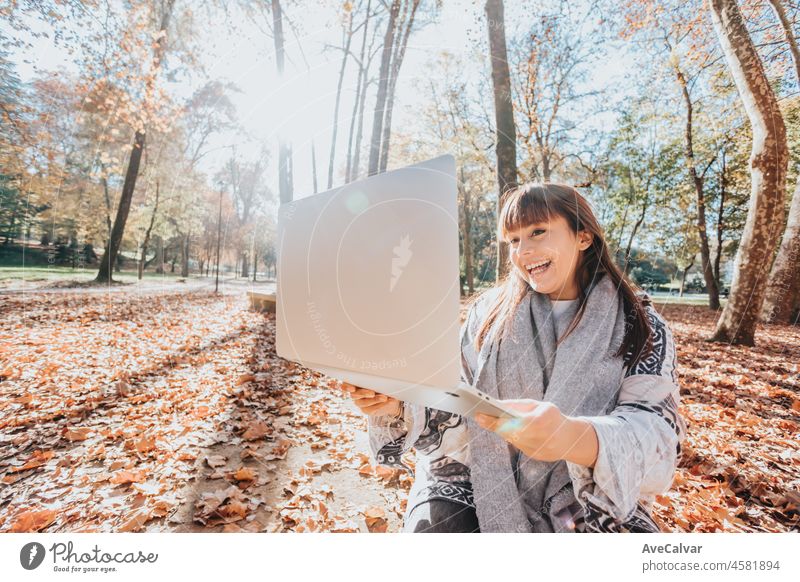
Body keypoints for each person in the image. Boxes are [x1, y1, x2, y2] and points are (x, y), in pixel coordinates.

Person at [343, 182, 687, 533]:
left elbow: (657, 434)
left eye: (538, 232)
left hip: (590, 493)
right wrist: (395, 404)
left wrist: (575, 438)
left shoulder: (640, 324)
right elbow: (454, 395)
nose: (523, 251)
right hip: (471, 475)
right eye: (513, 240)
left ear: (583, 237)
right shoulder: (488, 314)